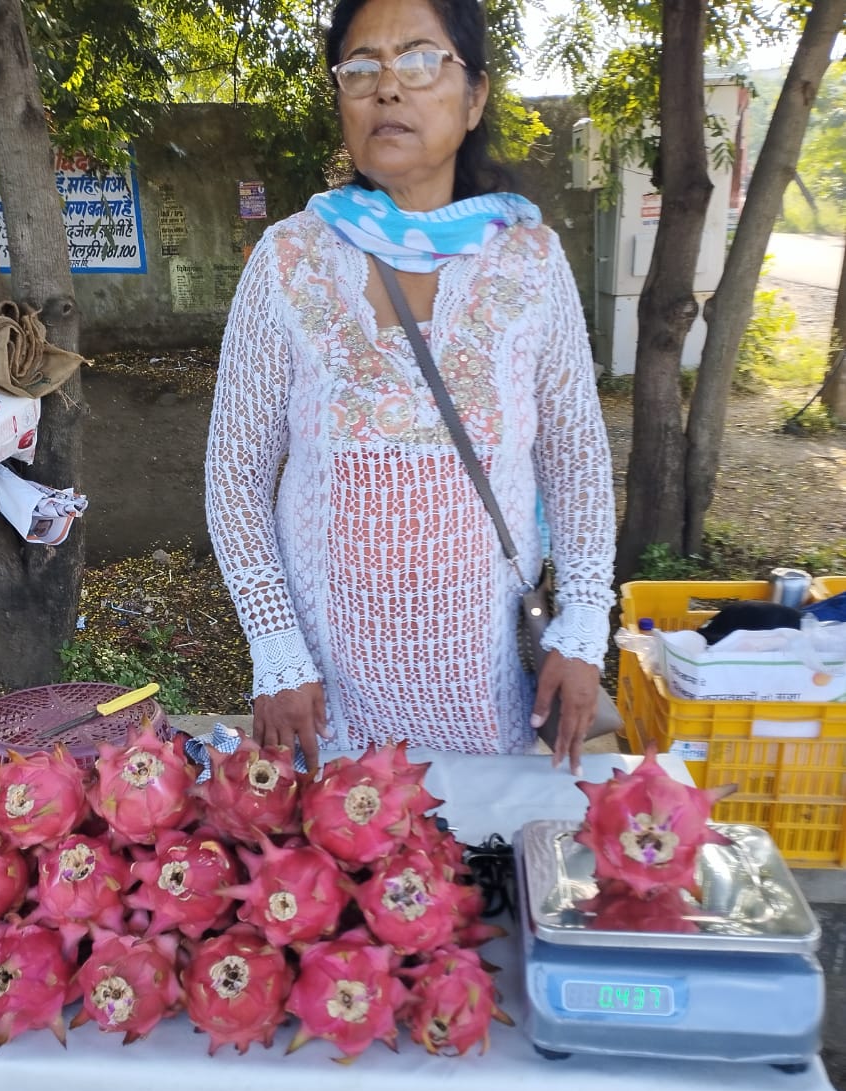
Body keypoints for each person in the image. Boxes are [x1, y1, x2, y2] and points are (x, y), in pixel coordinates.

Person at [206, 0, 615, 775]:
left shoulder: (529, 261)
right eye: (361, 69)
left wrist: (584, 625)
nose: (387, 88)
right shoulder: (290, 259)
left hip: (484, 684)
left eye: (420, 60)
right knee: (336, 869)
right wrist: (276, 652)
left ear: (475, 97)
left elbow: (576, 461)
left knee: (470, 877)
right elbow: (235, 476)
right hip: (324, 688)